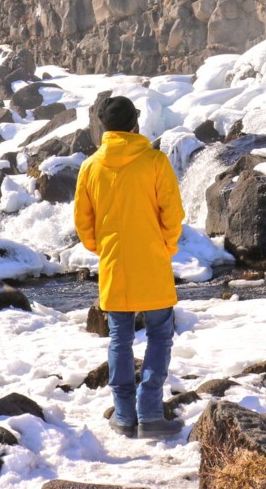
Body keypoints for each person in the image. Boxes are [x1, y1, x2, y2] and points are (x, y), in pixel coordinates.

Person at [73, 95, 186, 440]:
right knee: (159, 335)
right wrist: (165, 247)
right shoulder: (155, 161)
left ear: (104, 127)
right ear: (136, 125)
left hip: (114, 263)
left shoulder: (91, 166)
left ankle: (123, 416)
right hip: (152, 260)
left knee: (120, 339)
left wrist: (103, 248)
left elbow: (83, 222)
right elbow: (173, 214)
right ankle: (151, 412)